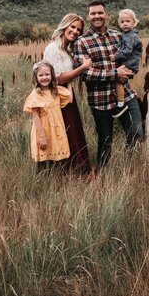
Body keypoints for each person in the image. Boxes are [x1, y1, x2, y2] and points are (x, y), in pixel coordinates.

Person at [74, 0, 143, 169]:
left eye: (100, 12)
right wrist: (114, 74)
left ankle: (129, 169)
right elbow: (84, 73)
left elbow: (133, 58)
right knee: (105, 142)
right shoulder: (81, 42)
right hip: (100, 100)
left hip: (125, 94)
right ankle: (103, 176)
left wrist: (128, 73)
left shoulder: (119, 36)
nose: (97, 16)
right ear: (88, 17)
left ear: (106, 15)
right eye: (93, 13)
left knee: (136, 132)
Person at [43, 13, 93, 175]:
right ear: (65, 26)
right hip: (56, 98)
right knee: (61, 133)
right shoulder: (53, 48)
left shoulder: (68, 50)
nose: (75, 31)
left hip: (67, 96)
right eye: (72, 27)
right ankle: (63, 171)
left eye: (78, 29)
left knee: (73, 131)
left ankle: (77, 169)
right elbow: (58, 78)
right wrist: (83, 68)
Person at [23, 61, 72, 172]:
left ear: (52, 75)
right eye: (41, 75)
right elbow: (36, 117)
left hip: (56, 130)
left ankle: (56, 180)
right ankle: (43, 181)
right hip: (43, 130)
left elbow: (70, 99)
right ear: (35, 77)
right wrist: (42, 137)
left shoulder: (55, 90)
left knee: (56, 155)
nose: (44, 77)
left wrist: (69, 82)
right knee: (44, 158)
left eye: (47, 74)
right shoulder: (36, 94)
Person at [110, 8, 142, 118]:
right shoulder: (124, 35)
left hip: (129, 64)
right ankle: (125, 97)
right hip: (127, 63)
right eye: (122, 22)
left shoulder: (132, 36)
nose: (125, 24)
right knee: (120, 81)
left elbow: (127, 51)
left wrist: (116, 56)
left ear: (134, 22)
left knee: (118, 81)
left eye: (128, 21)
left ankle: (121, 104)